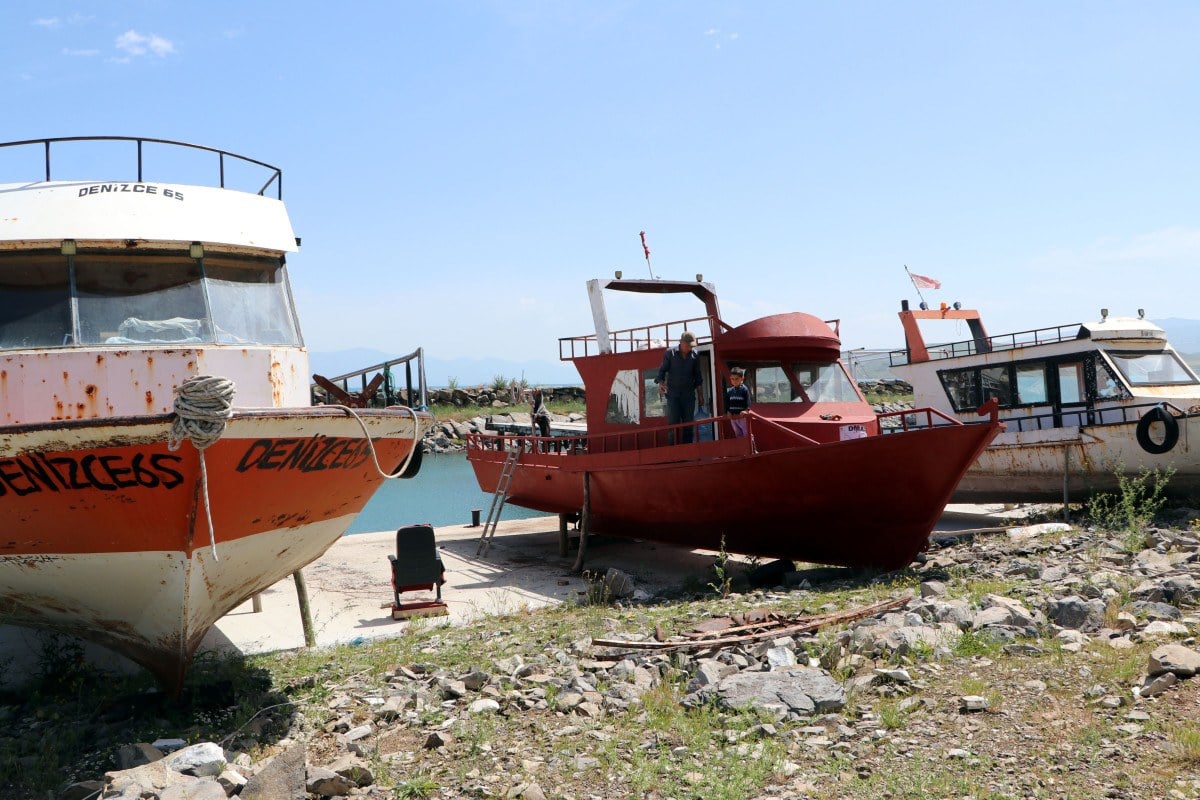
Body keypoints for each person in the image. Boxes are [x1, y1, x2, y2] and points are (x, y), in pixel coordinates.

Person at [654, 331, 704, 444]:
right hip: (673, 396)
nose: (690, 348)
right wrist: (661, 383)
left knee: (689, 425)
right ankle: (673, 455)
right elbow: (662, 371)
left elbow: (698, 377)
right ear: (680, 342)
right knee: (673, 425)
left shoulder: (695, 355)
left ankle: (688, 453)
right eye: (688, 345)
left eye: (691, 346)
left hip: (689, 396)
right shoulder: (669, 354)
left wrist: (700, 396)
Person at [726, 366, 751, 438]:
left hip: (742, 416)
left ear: (742, 378)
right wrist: (728, 411)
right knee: (738, 434)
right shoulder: (730, 391)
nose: (734, 381)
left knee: (747, 434)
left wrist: (746, 410)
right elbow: (728, 403)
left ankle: (751, 448)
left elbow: (748, 402)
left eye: (737, 379)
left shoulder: (744, 390)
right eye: (732, 379)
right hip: (733, 417)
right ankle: (742, 448)